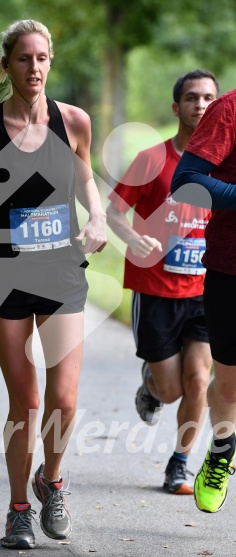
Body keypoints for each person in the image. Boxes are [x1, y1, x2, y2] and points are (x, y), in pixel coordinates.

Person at [0, 20, 107, 549]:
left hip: (59, 271)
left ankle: (50, 481)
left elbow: (88, 188)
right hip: (3, 274)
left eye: (41, 59)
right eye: (23, 59)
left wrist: (97, 219)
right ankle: (17, 510)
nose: (33, 69)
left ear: (50, 62)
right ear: (7, 64)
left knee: (65, 397)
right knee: (26, 400)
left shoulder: (75, 122)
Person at [107, 69, 219, 494]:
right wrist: (134, 238)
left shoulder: (223, 165)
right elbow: (115, 212)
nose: (201, 105)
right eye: (192, 98)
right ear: (177, 107)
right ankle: (151, 386)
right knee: (171, 389)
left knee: (198, 379)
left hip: (206, 292)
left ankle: (180, 464)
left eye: (209, 97)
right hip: (155, 290)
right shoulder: (152, 160)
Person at [171, 87, 236, 513]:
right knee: (229, 383)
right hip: (232, 269)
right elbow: (185, 184)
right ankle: (223, 448)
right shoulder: (229, 110)